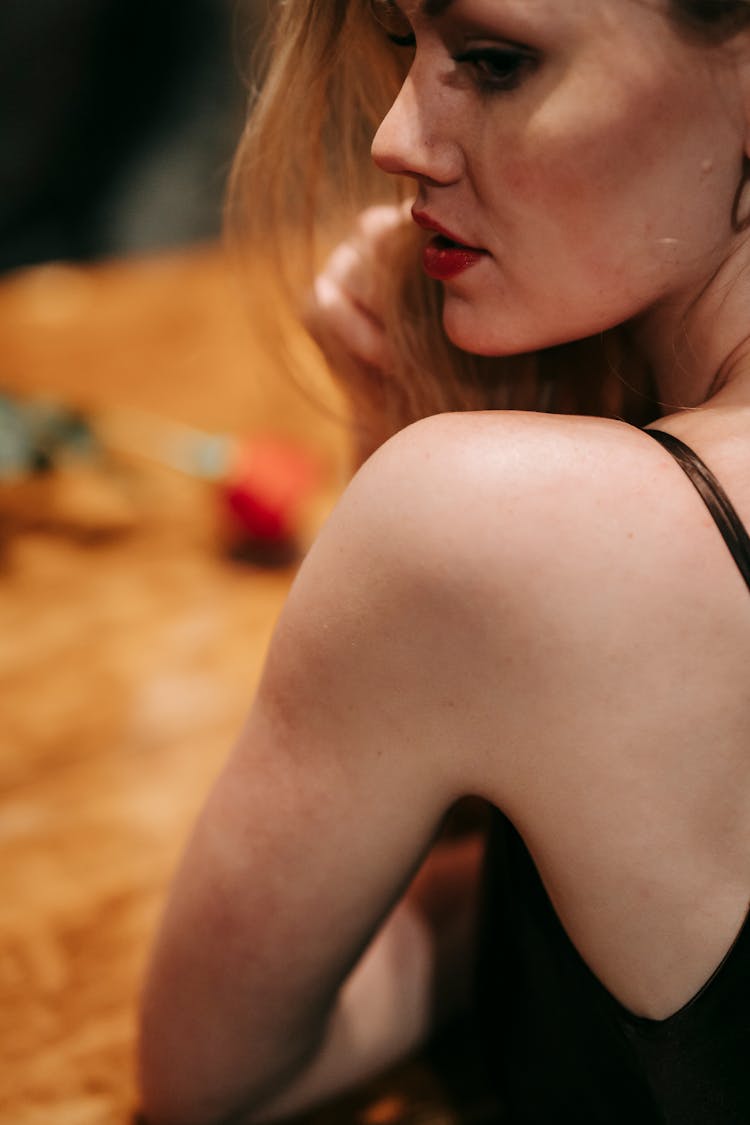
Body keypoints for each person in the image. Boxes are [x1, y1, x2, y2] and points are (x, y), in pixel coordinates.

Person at [137, 1, 750, 1122]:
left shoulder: (485, 528)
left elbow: (211, 1077)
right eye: (398, 42)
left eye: (497, 61)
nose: (394, 138)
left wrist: (400, 464)